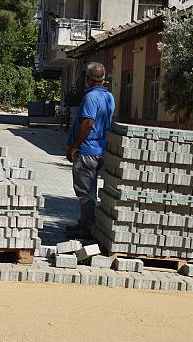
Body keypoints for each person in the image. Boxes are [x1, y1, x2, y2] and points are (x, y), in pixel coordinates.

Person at [65, 62, 115, 239]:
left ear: (87, 79)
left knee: (86, 191)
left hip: (87, 150)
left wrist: (73, 147)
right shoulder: (109, 97)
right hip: (101, 148)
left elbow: (87, 124)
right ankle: (85, 222)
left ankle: (87, 228)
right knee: (89, 189)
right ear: (103, 79)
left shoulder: (90, 97)